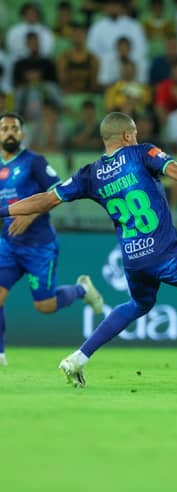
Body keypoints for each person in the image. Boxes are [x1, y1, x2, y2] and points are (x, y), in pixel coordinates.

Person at [0, 112, 177, 386]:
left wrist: (3, 210)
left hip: (133, 260)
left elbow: (45, 200)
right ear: (128, 135)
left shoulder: (89, 174)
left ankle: (77, 359)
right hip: (167, 255)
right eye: (135, 134)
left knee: (139, 303)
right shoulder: (142, 153)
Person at [0, 112, 103, 367]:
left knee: (45, 306)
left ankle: (82, 290)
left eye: (14, 128)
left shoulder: (34, 162)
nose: (9, 132)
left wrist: (30, 214)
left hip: (39, 246)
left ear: (22, 134)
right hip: (8, 244)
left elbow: (57, 191)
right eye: (4, 128)